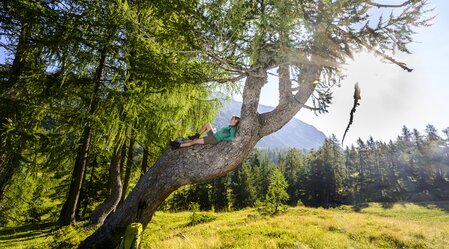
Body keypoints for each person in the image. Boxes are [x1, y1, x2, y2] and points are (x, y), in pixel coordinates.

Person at [170, 115, 240, 149]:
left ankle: (177, 145)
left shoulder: (233, 129)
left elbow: (232, 138)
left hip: (214, 139)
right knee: (207, 124)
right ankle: (196, 135)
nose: (231, 119)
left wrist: (223, 139)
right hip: (213, 136)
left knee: (195, 141)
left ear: (235, 120)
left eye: (232, 118)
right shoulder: (230, 127)